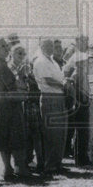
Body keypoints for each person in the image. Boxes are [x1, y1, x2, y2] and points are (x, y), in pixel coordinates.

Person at [0, 38, 28, 180]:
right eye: (2, 46)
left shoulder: (3, 64)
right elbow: (13, 88)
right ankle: (13, 169)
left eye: (6, 46)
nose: (5, 48)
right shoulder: (2, 66)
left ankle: (9, 169)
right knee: (10, 138)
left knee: (6, 138)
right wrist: (23, 92)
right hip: (8, 106)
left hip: (6, 105)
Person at [32, 38, 68, 176]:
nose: (51, 48)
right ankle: (49, 165)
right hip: (50, 97)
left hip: (58, 97)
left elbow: (59, 77)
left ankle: (56, 163)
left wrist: (64, 82)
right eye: (47, 45)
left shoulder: (52, 61)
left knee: (60, 133)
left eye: (52, 45)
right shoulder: (40, 61)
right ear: (41, 46)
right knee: (52, 133)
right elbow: (47, 80)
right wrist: (63, 85)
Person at [10, 44, 44, 174]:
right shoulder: (11, 68)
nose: (22, 56)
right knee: (22, 135)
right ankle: (21, 164)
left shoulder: (27, 68)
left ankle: (38, 161)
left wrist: (29, 77)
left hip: (31, 105)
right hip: (19, 105)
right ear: (12, 54)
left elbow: (34, 85)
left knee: (35, 134)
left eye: (23, 54)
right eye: (19, 53)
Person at [62, 35, 93, 166]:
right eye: (82, 41)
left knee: (81, 127)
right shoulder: (79, 56)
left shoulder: (78, 56)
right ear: (77, 42)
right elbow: (74, 76)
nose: (85, 43)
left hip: (80, 94)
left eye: (86, 41)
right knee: (82, 127)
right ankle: (81, 158)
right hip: (80, 95)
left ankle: (81, 156)